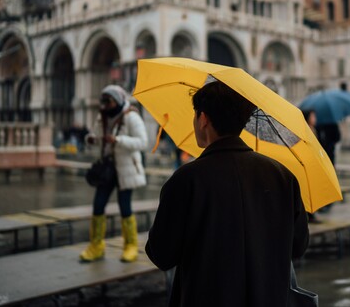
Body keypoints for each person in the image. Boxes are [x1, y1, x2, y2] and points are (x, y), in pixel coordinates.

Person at [145, 80, 309, 307]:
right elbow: (298, 246)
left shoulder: (185, 180)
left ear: (203, 119)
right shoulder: (284, 177)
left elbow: (161, 255)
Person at [80, 85, 148, 262]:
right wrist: (91, 139)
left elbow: (143, 142)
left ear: (117, 100)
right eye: (103, 101)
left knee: (125, 207)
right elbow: (94, 136)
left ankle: (131, 246)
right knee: (98, 205)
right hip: (107, 169)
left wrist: (118, 140)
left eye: (108, 101)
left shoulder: (132, 117)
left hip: (126, 169)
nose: (105, 105)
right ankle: (96, 246)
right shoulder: (101, 117)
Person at [302, 109, 321, 222]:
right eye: (313, 116)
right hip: (308, 163)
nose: (315, 119)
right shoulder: (306, 129)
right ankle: (309, 214)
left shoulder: (313, 129)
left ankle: (311, 213)